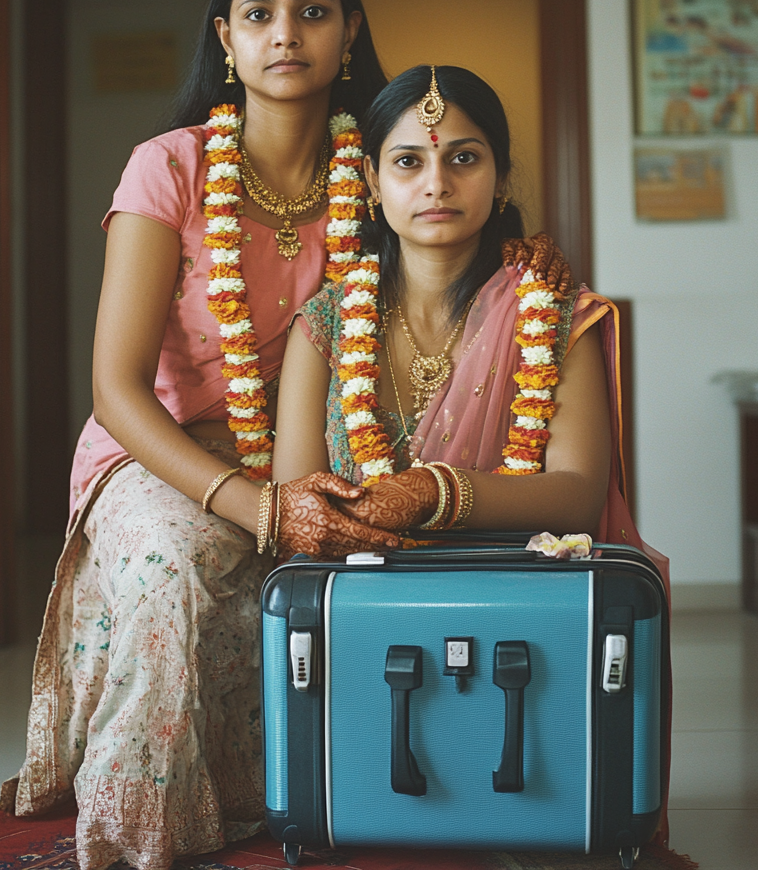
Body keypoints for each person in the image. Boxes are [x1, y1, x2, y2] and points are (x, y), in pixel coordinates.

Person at [0, 0, 405, 870]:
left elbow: (463, 229)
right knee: (172, 568)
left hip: (321, 448)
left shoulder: (385, 171)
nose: (286, 35)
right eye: (259, 15)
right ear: (225, 39)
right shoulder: (170, 166)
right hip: (162, 450)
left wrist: (527, 258)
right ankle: (139, 839)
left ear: (351, 34)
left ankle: (342, 786)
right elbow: (115, 388)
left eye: (313, 12)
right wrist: (258, 506)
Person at [273, 63, 670, 840]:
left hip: (521, 598)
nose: (437, 183)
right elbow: (297, 497)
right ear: (372, 181)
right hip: (363, 600)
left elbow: (577, 495)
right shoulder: (324, 321)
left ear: (500, 175)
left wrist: (434, 493)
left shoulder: (556, 316)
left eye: (465, 157)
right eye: (409, 161)